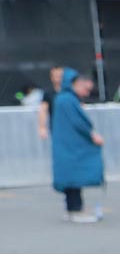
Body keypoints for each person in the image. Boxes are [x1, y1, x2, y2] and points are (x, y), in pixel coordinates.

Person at [50, 68, 104, 224]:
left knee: (71, 178)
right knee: (73, 178)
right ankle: (75, 210)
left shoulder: (63, 99)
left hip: (66, 147)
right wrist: (92, 135)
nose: (86, 92)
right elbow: (79, 123)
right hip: (70, 147)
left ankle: (72, 209)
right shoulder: (67, 100)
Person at [37, 65, 65, 141]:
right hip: (56, 127)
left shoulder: (71, 92)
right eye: (56, 76)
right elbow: (43, 111)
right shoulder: (48, 94)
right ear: (51, 77)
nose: (58, 78)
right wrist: (42, 127)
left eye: (60, 76)